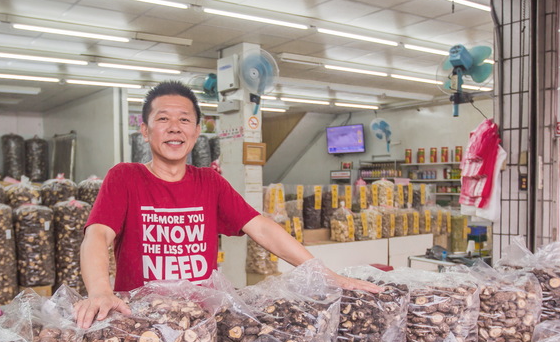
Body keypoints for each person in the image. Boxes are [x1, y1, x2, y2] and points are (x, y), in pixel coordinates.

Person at [74, 80, 379, 328]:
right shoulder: (125, 177)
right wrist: (100, 290)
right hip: (141, 322)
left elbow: (261, 227)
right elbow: (97, 235)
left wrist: (324, 274)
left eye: (185, 120)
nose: (174, 127)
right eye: (162, 119)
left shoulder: (209, 182)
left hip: (201, 323)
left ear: (196, 131)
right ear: (145, 130)